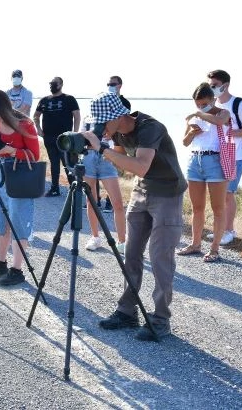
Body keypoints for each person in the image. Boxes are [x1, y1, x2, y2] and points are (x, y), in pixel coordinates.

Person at [81, 92, 187, 341]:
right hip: (142, 191)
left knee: (160, 257)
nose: (101, 127)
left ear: (119, 116)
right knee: (130, 253)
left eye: (104, 122)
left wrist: (103, 149)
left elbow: (139, 165)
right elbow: (123, 161)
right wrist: (99, 145)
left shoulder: (151, 128)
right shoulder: (115, 131)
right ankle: (127, 311)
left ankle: (160, 320)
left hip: (167, 194)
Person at [0, 89, 41, 286]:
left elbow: (35, 155)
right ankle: (1, 262)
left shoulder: (25, 124)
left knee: (19, 220)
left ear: (4, 108)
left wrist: (13, 151)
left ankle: (17, 270)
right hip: (1, 170)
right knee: (0, 217)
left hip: (20, 173)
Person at [177, 83, 231, 262]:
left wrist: (199, 114)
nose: (200, 107)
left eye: (204, 104)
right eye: (197, 104)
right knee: (197, 207)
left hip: (215, 161)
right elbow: (185, 142)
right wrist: (192, 132)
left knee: (218, 208)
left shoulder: (223, 113)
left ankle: (214, 249)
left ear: (213, 99)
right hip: (195, 161)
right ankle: (195, 244)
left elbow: (219, 121)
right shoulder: (194, 118)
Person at [207, 69, 242, 245]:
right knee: (218, 194)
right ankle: (220, 229)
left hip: (237, 154)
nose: (211, 88)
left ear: (225, 85)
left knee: (228, 193)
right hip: (217, 154)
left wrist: (228, 131)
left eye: (214, 85)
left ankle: (229, 231)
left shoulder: (239, 104)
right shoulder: (212, 103)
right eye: (209, 85)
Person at [80, 115, 127, 253]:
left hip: (108, 156)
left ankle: (122, 241)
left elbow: (121, 138)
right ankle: (95, 237)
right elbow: (80, 134)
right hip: (88, 156)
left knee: (117, 202)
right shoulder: (87, 117)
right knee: (91, 201)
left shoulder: (113, 117)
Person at [33, 76, 80, 197]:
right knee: (54, 163)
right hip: (49, 137)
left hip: (65, 138)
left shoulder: (69, 99)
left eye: (55, 83)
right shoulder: (44, 100)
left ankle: (74, 188)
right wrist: (38, 129)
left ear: (61, 85)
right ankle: (54, 188)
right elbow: (36, 115)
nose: (52, 85)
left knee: (68, 163)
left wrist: (75, 133)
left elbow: (77, 116)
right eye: (50, 83)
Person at [102, 76, 131, 211]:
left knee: (113, 172)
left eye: (113, 84)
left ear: (120, 85)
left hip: (118, 141)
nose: (110, 86)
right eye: (108, 83)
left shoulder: (125, 102)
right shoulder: (104, 100)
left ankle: (110, 201)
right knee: (102, 169)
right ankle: (95, 200)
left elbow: (125, 122)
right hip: (105, 139)